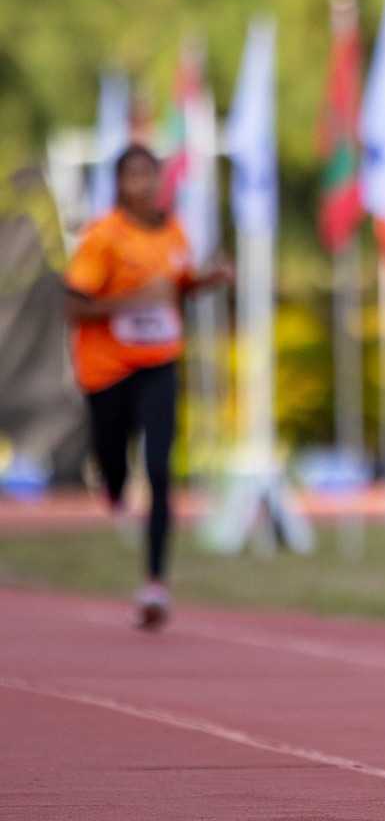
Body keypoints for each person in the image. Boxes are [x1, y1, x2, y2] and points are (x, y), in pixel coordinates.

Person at [64, 144, 232, 630]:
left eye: (150, 175)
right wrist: (132, 300)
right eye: (133, 176)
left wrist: (206, 281)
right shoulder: (102, 237)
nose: (143, 185)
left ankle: (155, 583)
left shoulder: (174, 231)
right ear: (119, 184)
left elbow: (174, 289)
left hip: (159, 363)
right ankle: (113, 485)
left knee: (159, 469)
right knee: (114, 463)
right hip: (107, 371)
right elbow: (74, 307)